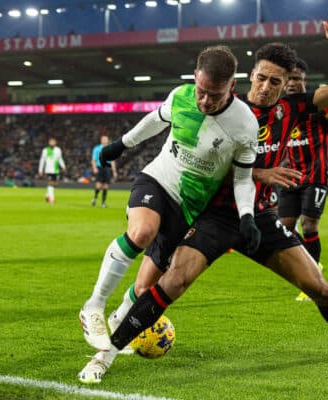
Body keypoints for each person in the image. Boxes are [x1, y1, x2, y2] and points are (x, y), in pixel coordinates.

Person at [78, 3, 328, 384]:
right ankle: (105, 355)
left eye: (275, 82)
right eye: (261, 78)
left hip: (260, 216)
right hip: (213, 214)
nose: (266, 87)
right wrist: (261, 171)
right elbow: (200, 158)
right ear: (248, 77)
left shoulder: (295, 108)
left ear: (286, 85)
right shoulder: (222, 106)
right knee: (171, 283)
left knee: (319, 287)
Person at [78, 45, 262, 352]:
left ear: (232, 86)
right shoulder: (180, 96)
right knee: (141, 231)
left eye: (214, 95)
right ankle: (93, 307)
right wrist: (121, 145)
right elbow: (155, 120)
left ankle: (118, 321)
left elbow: (243, 179)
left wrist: (247, 216)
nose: (205, 100)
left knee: (144, 287)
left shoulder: (245, 125)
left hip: (189, 207)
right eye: (201, 91)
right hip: (158, 180)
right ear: (195, 78)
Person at [278, 58, 328, 301]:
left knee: (309, 224)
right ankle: (312, 265)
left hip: (315, 176)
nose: (291, 84)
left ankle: (312, 279)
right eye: (288, 79)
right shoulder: (281, 108)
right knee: (283, 229)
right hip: (290, 177)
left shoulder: (319, 104)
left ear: (304, 81)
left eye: (296, 79)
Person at [91, 135, 118, 208]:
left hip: (107, 168)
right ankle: (95, 198)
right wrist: (94, 168)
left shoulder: (111, 148)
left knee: (106, 186)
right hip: (100, 167)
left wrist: (114, 171)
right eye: (103, 139)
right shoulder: (97, 148)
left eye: (106, 139)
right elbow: (94, 160)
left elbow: (112, 160)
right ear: (101, 140)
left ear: (108, 140)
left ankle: (103, 202)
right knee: (99, 185)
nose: (104, 140)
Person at [38, 138, 66, 203]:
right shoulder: (45, 150)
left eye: (53, 142)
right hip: (48, 169)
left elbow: (60, 158)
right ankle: (52, 199)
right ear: (49, 143)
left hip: (56, 169)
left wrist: (63, 166)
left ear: (55, 143)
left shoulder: (58, 150)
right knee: (50, 184)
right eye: (51, 142)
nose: (52, 143)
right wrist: (40, 170)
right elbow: (42, 160)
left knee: (54, 184)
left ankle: (47, 195)